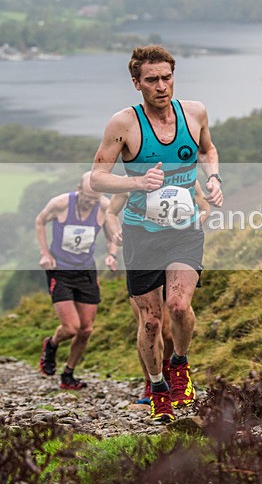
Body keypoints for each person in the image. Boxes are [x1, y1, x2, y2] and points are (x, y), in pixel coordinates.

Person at [90, 45, 223, 423]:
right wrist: (136, 182)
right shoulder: (123, 125)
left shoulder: (194, 112)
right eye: (152, 80)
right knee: (150, 321)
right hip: (141, 234)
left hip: (184, 229)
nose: (161, 86)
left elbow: (208, 150)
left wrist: (213, 178)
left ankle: (179, 365)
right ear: (137, 83)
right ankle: (157, 384)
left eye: (167, 77)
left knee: (179, 306)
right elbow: (97, 176)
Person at [105, 182, 211, 405]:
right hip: (142, 255)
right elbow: (110, 212)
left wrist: (188, 229)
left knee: (173, 323)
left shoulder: (186, 177)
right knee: (150, 324)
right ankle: (151, 383)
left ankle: (174, 375)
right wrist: (116, 232)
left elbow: (205, 209)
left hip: (175, 253)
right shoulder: (132, 179)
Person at [35, 172, 117, 390]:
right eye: (88, 196)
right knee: (71, 328)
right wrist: (45, 253)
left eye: (95, 197)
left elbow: (112, 236)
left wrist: (112, 254)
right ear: (79, 189)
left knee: (86, 329)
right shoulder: (61, 203)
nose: (91, 201)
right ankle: (51, 345)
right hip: (60, 270)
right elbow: (40, 221)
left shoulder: (104, 207)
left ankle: (68, 374)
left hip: (86, 272)